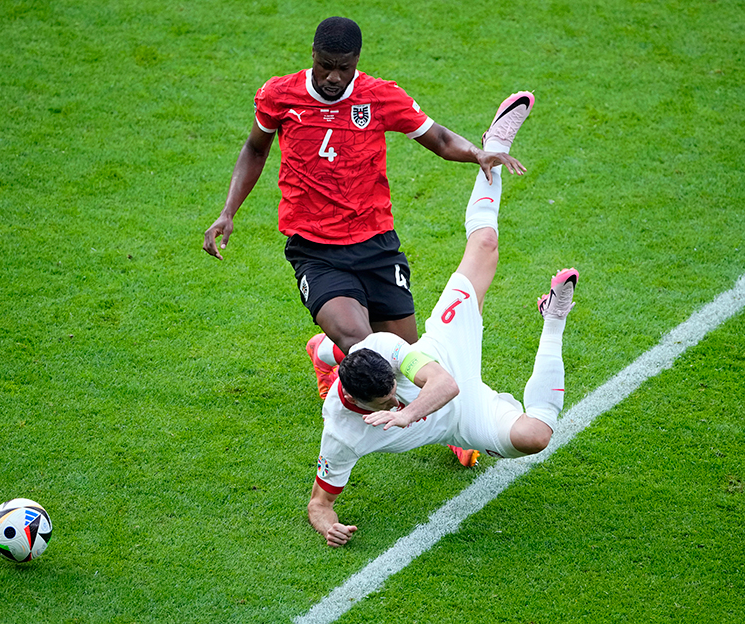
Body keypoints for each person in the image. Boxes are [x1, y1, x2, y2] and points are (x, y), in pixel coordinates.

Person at [202, 16, 528, 400]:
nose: (333, 77)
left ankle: (324, 353)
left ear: (356, 60)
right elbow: (256, 148)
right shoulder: (280, 95)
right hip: (316, 250)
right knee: (364, 343)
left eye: (344, 68)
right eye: (325, 65)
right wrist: (228, 211)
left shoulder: (379, 96)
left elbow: (438, 138)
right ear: (313, 56)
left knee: (408, 356)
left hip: (376, 245)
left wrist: (476, 152)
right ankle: (433, 419)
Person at [306, 93, 578, 547]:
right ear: (353, 400)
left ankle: (494, 146)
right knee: (535, 437)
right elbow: (320, 503)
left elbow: (445, 384)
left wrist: (405, 413)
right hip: (459, 421)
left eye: (393, 386)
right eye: (384, 400)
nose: (393, 398)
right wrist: (326, 524)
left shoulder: (387, 352)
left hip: (445, 358)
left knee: (485, 247)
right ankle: (555, 322)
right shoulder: (340, 433)